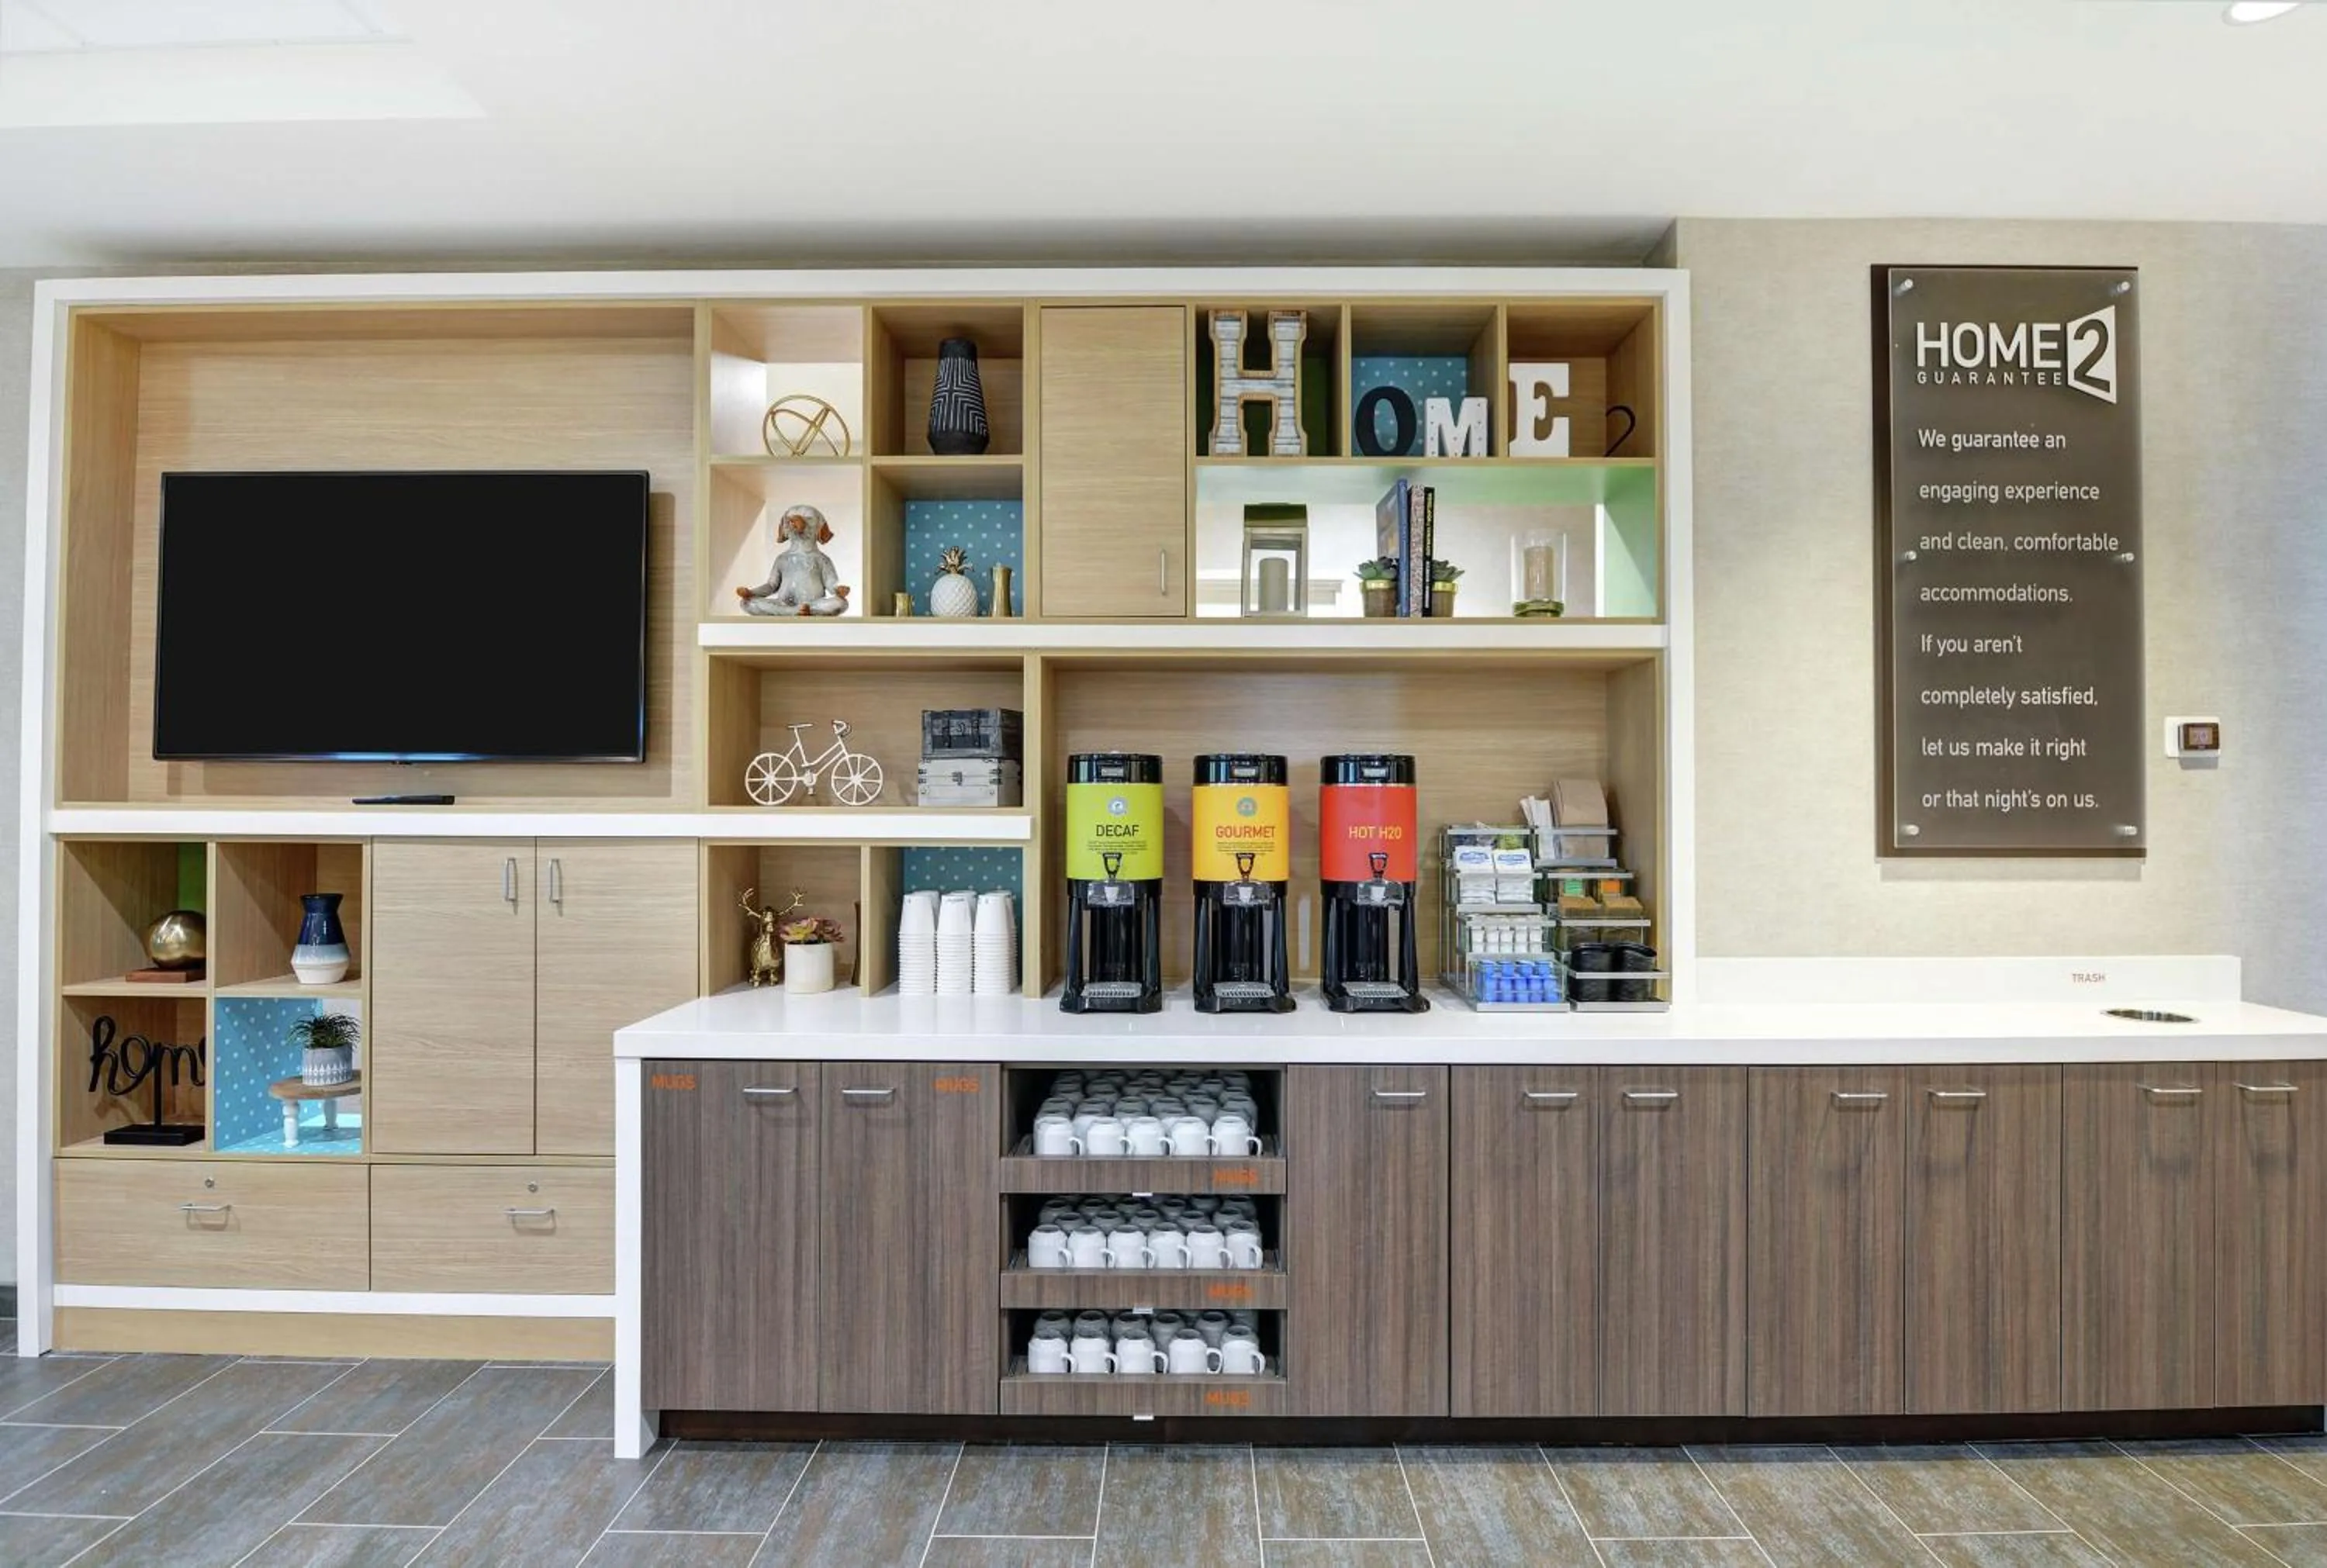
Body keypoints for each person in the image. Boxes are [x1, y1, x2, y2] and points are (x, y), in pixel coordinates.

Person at [737, 503, 850, 616]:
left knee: (841, 603)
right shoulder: (782, 559)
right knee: (747, 603)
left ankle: (806, 610)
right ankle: (793, 611)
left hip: (813, 604)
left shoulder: (822, 560)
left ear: (820, 527)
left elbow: (831, 583)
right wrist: (751, 593)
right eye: (789, 519)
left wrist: (838, 590)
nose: (794, 521)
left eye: (809, 519)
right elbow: (771, 586)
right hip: (782, 604)